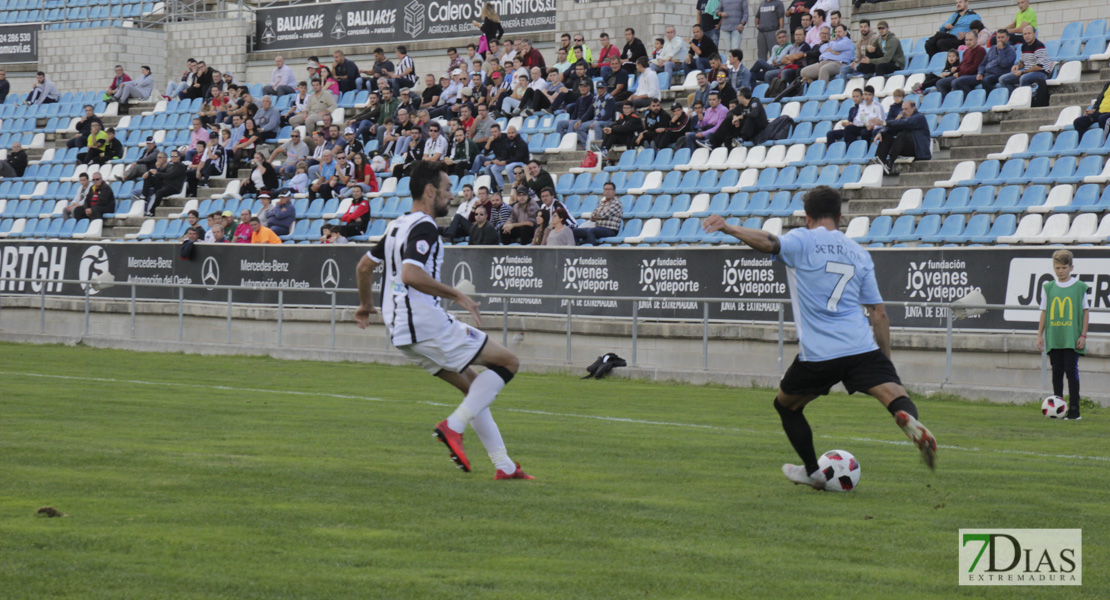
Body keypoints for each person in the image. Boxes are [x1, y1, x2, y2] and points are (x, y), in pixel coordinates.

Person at [702, 186, 938, 490]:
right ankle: (908, 419)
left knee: (786, 406)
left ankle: (813, 472)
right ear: (840, 217)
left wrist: (729, 227)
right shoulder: (859, 253)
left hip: (820, 353)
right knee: (895, 395)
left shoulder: (803, 239)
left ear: (808, 216)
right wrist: (884, 361)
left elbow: (769, 242)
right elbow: (878, 313)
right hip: (860, 348)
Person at [355, 161, 532, 480]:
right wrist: (457, 295)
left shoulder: (396, 225)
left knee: (475, 388)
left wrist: (366, 305)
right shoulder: (423, 226)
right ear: (430, 190)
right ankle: (453, 427)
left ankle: (504, 466)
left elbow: (363, 268)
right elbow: (411, 274)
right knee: (508, 362)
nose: (451, 195)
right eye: (448, 188)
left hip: (402, 334)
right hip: (425, 322)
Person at [1036, 250, 1088, 421]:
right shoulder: (1048, 288)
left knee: (1071, 372)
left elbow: (1085, 312)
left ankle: (1075, 410)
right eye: (1057, 268)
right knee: (1056, 372)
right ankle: (1057, 408)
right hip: (1055, 336)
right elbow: (1044, 312)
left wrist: (1083, 335)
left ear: (1071, 267)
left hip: (1071, 337)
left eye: (1064, 268)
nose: (1060, 271)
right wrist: (1039, 335)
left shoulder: (1080, 287)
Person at [873, 100, 931, 173]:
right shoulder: (903, 119)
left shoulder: (919, 118)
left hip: (918, 150)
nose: (903, 111)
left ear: (913, 108)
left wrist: (884, 123)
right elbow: (892, 128)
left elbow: (905, 123)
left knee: (902, 135)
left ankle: (890, 162)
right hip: (906, 149)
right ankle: (879, 162)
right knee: (886, 137)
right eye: (902, 109)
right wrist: (881, 132)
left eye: (906, 109)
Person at [955, 28, 1016, 94]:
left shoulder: (1011, 51)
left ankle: (988, 99)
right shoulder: (992, 48)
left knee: (986, 80)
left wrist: (1001, 50)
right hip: (986, 74)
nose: (1000, 40)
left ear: (1008, 38)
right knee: (961, 81)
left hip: (998, 74)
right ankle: (972, 99)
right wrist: (980, 73)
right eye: (998, 37)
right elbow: (982, 64)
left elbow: (1003, 64)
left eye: (1002, 37)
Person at [998, 26, 1054, 95]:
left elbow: (1039, 67)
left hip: (1041, 73)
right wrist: (1017, 66)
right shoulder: (1024, 46)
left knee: (1023, 78)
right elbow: (1022, 62)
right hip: (1028, 72)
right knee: (1002, 79)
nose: (1027, 36)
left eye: (1029, 33)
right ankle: (1014, 97)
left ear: (1035, 34)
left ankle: (1023, 99)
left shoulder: (1039, 46)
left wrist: (1022, 73)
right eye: (1025, 34)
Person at [937, 32, 985, 98]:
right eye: (966, 40)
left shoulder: (980, 50)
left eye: (970, 40)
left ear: (976, 39)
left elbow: (975, 68)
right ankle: (948, 101)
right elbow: (962, 65)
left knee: (956, 82)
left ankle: (969, 99)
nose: (968, 42)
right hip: (963, 75)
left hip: (974, 76)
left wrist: (959, 74)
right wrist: (956, 68)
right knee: (940, 83)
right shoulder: (966, 51)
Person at [141, 151, 188, 216]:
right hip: (165, 185)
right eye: (172, 156)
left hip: (173, 187)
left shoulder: (180, 166)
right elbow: (160, 171)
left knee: (159, 192)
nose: (173, 158)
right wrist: (149, 171)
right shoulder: (170, 165)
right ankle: (144, 196)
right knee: (149, 175)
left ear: (179, 157)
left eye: (175, 156)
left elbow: (169, 175)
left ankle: (152, 211)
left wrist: (157, 173)